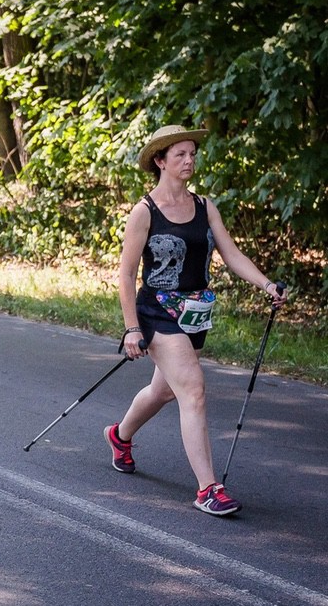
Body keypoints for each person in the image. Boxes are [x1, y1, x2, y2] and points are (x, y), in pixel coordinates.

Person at [107, 124, 287, 517]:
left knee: (164, 391)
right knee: (193, 390)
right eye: (180, 155)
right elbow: (126, 273)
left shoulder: (205, 206)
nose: (189, 160)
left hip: (195, 311)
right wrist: (132, 327)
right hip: (157, 311)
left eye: (192, 153)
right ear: (160, 161)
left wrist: (266, 283)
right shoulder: (145, 211)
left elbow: (231, 254)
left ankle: (119, 436)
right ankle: (208, 488)